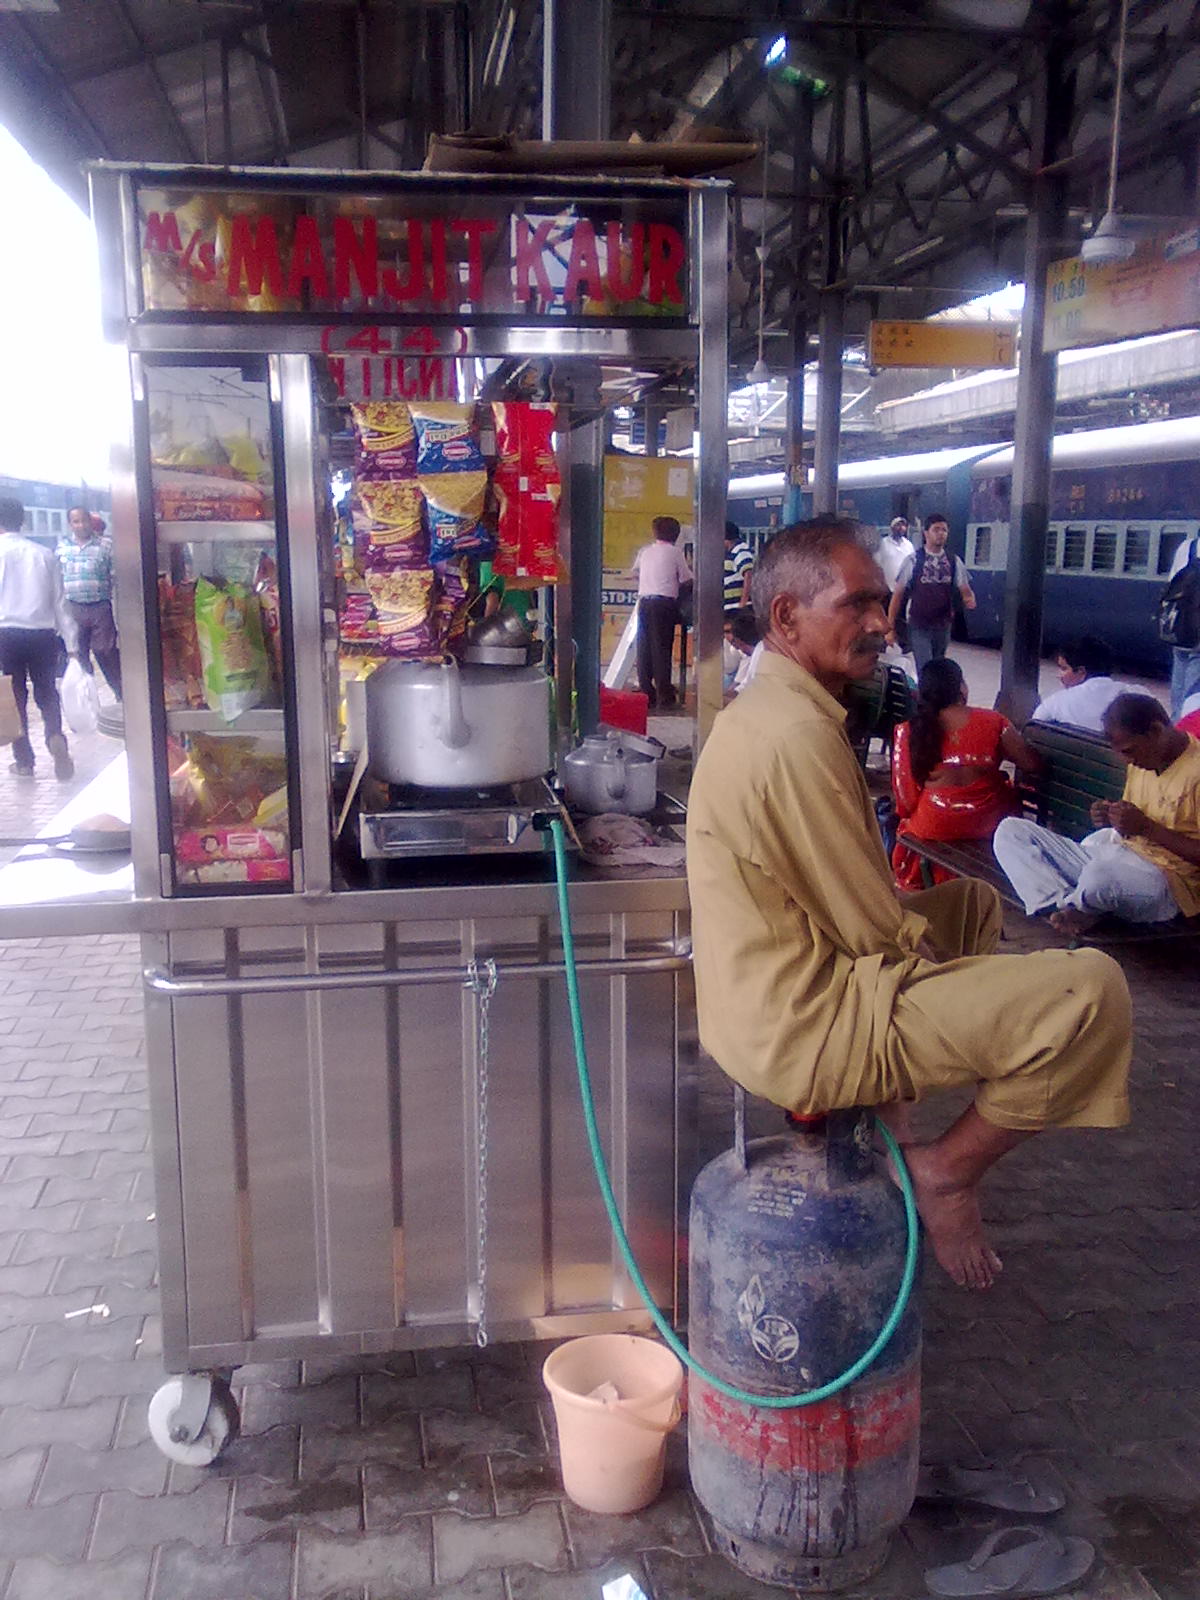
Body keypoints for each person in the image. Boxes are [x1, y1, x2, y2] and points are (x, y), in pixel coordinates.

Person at [687, 517, 1131, 1292]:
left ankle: (887, 1110)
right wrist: (962, 998)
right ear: (787, 617)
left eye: (879, 604)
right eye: (856, 606)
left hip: (771, 1000)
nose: (878, 624)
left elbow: (860, 913)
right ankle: (946, 1172)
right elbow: (873, 930)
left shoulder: (774, 709)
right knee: (1089, 994)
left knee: (969, 909)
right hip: (805, 1028)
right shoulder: (793, 736)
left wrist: (943, 976)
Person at [994, 692, 1200, 936]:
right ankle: (1061, 904)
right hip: (1117, 857)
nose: (1127, 761)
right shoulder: (1146, 759)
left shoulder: (1195, 771)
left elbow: (1148, 828)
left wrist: (1146, 828)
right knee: (1010, 831)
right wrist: (1111, 815)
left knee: (1100, 876)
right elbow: (1135, 817)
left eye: (1129, 751)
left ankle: (1080, 905)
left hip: (1166, 883)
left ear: (1155, 731)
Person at [890, 657, 1039, 891]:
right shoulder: (994, 721)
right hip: (989, 822)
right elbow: (1031, 763)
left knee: (909, 825)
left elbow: (905, 800)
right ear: (961, 687)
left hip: (934, 824)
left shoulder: (907, 731)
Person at [0, 496, 77, 779]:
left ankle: (24, 761)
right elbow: (61, 604)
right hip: (42, 635)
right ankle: (55, 736)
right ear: (22, 520)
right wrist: (72, 646)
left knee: (15, 697)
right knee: (47, 692)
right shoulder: (44, 554)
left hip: (5, 635)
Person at [887, 512, 975, 673]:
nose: (941, 533)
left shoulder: (953, 561)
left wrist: (968, 598)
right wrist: (890, 628)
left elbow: (965, 589)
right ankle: (926, 696)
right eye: (936, 529)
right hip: (918, 624)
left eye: (944, 530)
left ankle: (934, 696)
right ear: (926, 533)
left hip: (943, 625)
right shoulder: (913, 560)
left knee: (938, 668)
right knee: (926, 667)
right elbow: (898, 595)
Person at [60, 506, 121, 700]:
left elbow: (117, 575)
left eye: (84, 520)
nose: (81, 525)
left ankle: (121, 692)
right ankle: (87, 698)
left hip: (99, 607)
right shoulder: (62, 548)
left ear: (90, 522)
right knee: (79, 655)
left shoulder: (106, 546)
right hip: (73, 608)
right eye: (76, 521)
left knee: (106, 651)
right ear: (70, 524)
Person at [631, 515, 691, 710]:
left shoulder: (645, 551)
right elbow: (686, 579)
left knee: (645, 647)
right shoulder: (675, 553)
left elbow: (635, 573)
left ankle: (647, 692)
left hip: (644, 602)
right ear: (676, 535)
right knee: (662, 649)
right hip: (664, 604)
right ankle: (665, 695)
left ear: (654, 532)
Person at [1030, 635, 1121, 734]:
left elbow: (1032, 732)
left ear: (1081, 672)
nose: (1059, 676)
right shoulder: (1135, 697)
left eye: (1063, 668)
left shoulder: (1054, 704)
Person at [1163, 532, 1200, 718]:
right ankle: (1185, 738)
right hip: (1198, 637)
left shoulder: (1187, 547)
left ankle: (1177, 728)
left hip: (1179, 628)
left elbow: (1172, 583)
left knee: (1178, 694)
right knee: (1193, 696)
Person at [723, 521, 754, 616]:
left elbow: (749, 575)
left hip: (737, 608)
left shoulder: (740, 550)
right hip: (731, 607)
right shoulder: (731, 552)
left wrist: (743, 603)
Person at [876, 515, 916, 590]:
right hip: (887, 588)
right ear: (892, 527)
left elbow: (913, 565)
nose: (901, 527)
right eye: (898, 525)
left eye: (903, 525)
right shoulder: (883, 543)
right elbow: (877, 564)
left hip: (904, 589)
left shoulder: (909, 545)